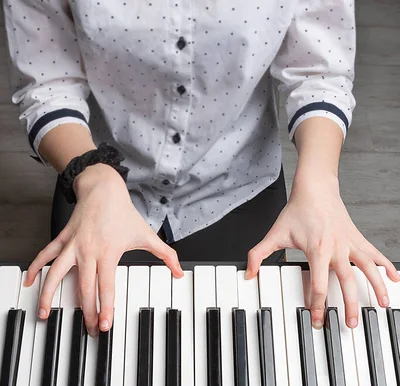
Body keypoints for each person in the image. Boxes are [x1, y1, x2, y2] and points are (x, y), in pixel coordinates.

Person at [3, 0, 399, 338]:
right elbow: (47, 82)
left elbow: (318, 73)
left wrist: (320, 184)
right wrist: (95, 177)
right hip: (95, 188)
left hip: (241, 190)